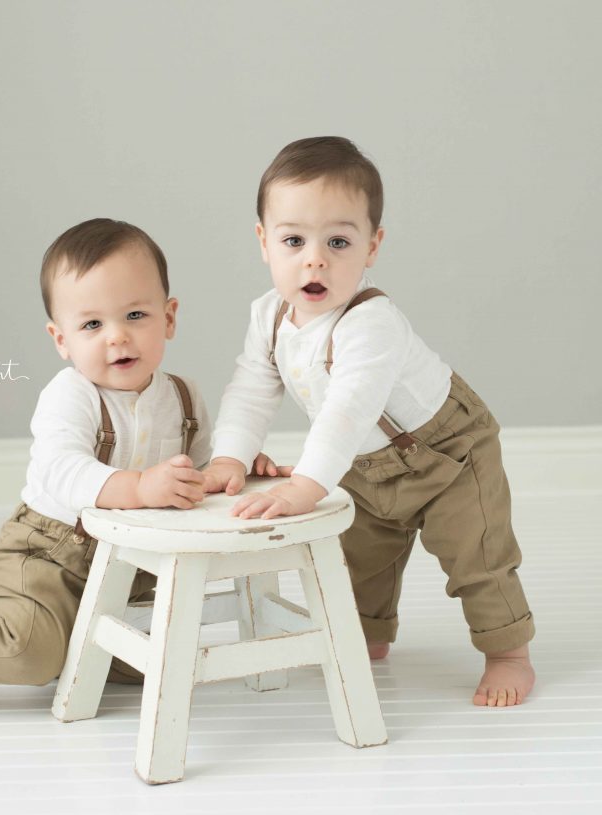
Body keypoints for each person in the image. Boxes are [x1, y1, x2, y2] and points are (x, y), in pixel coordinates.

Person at [202, 137, 535, 707]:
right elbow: (252, 389)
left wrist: (306, 485)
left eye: (337, 241)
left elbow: (347, 408)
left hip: (449, 450)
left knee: (476, 555)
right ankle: (369, 633)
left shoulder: (371, 321)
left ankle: (508, 652)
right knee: (358, 555)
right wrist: (229, 456)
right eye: (293, 241)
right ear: (264, 242)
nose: (315, 259)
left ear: (372, 246)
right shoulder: (270, 315)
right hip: (362, 461)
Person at [0, 218, 213, 715]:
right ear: (62, 339)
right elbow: (62, 470)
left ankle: (72, 640)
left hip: (128, 565)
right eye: (92, 325)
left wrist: (233, 468)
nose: (117, 337)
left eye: (136, 314)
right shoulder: (69, 394)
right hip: (47, 555)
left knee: (154, 662)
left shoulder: (183, 397)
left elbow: (199, 470)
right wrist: (140, 486)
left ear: (169, 317)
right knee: (30, 650)